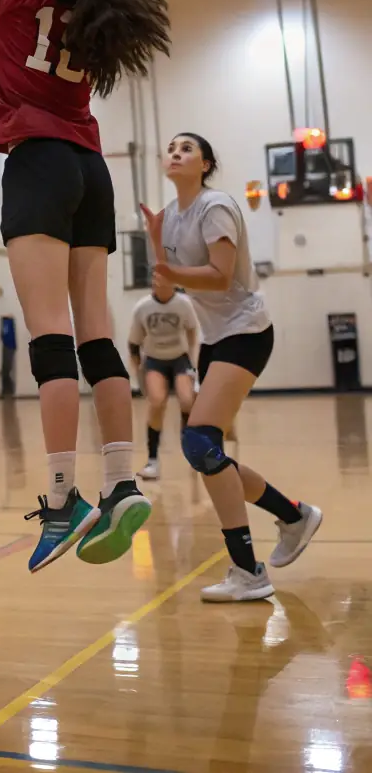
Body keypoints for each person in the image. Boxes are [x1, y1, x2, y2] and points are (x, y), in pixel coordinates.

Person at [0, 0, 171, 573]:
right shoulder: (99, 18)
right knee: (96, 333)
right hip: (93, 171)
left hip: (37, 163)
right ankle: (122, 480)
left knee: (50, 336)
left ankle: (63, 497)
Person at [141, 132, 322, 602]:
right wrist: (156, 243)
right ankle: (293, 515)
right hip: (218, 337)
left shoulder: (214, 206)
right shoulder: (174, 215)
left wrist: (170, 270)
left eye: (187, 148)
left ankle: (248, 569)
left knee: (200, 442)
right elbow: (167, 277)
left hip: (247, 329)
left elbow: (220, 277)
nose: (176, 153)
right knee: (208, 455)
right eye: (171, 148)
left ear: (205, 164)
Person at [127, 280, 199, 480]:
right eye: (156, 279)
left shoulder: (184, 304)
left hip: (179, 358)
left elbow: (192, 330)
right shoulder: (143, 307)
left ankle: (192, 449)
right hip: (154, 360)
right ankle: (152, 461)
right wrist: (138, 372)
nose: (161, 283)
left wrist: (193, 360)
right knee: (157, 402)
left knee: (187, 400)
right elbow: (133, 343)